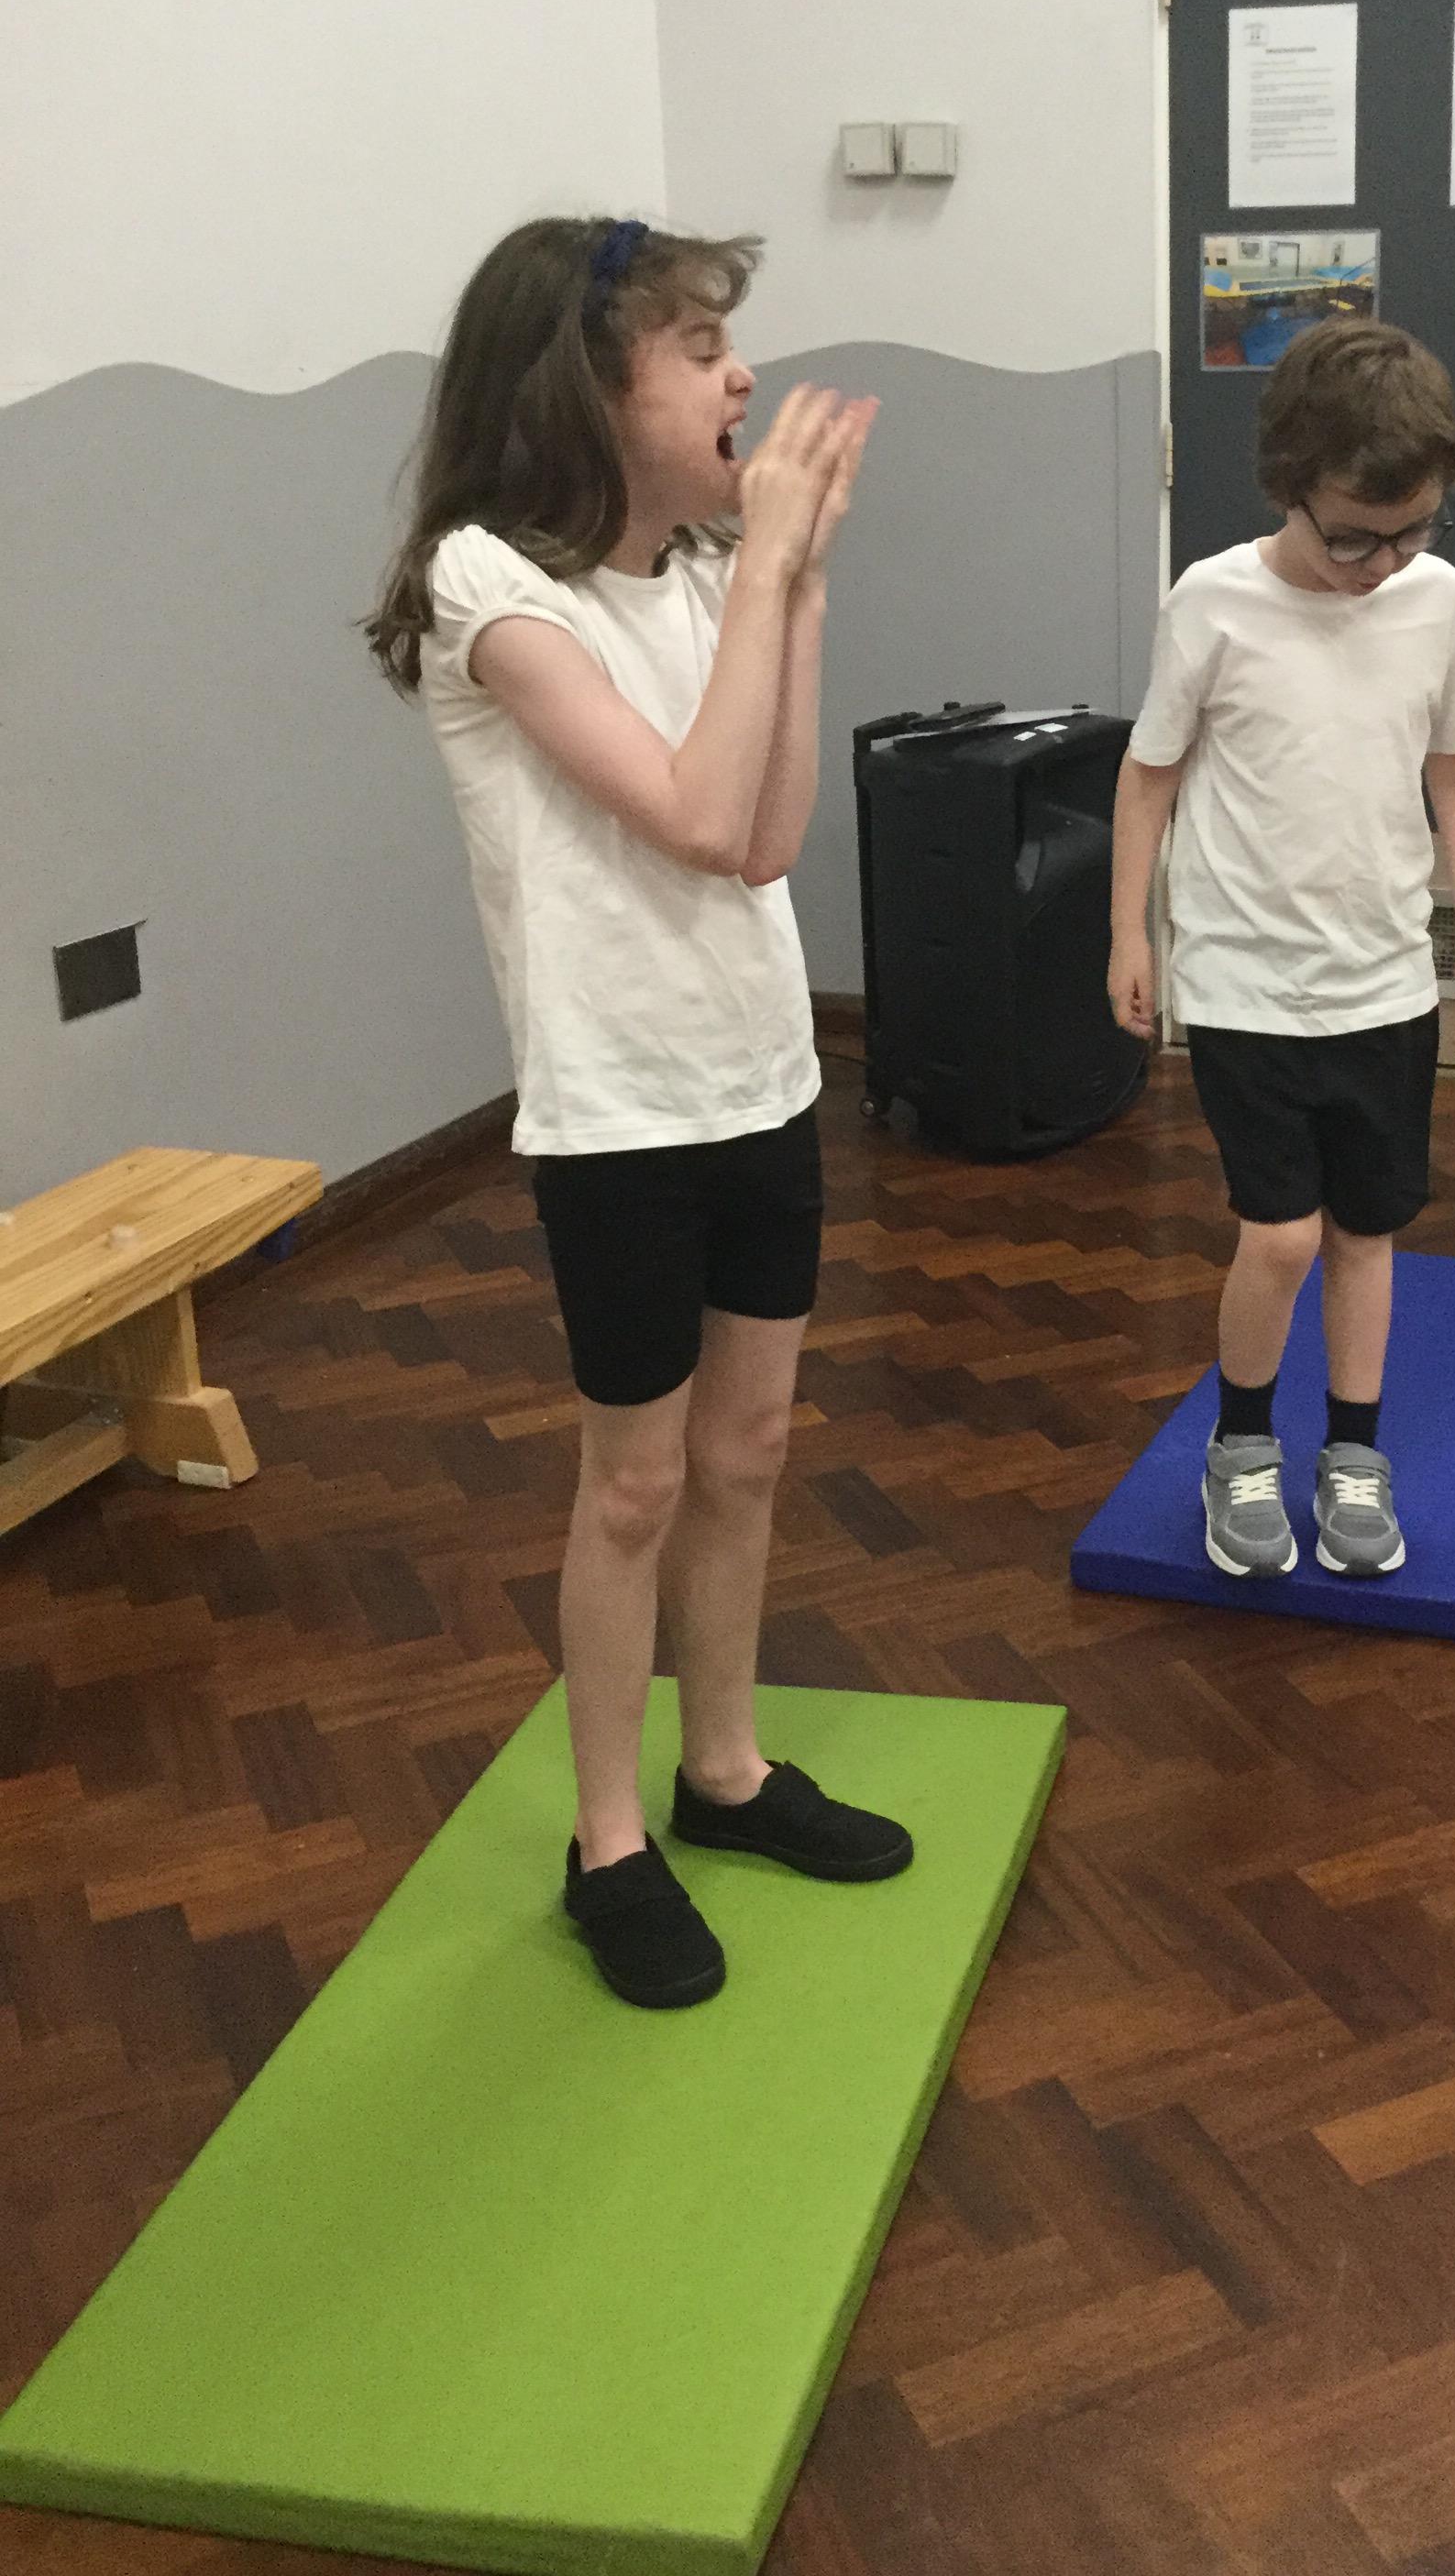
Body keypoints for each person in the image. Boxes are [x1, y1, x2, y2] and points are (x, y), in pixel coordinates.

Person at [366, 215, 909, 2010]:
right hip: (614, 1119)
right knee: (636, 1484)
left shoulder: (700, 576)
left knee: (747, 1454)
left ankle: (723, 1772)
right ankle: (609, 1840)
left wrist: (794, 587)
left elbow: (762, 843)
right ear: (585, 391)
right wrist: (766, 577)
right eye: (697, 349)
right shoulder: (487, 589)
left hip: (761, 1080)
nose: (741, 376)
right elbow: (683, 810)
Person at [1108, 318, 1455, 1583]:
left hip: (1382, 979)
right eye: (1352, 539)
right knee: (1280, 1235)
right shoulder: (1214, 602)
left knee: (1366, 1234)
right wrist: (1130, 931)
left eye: (1412, 532)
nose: (1381, 565)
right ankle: (1239, 1445)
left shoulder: (1438, 602)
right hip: (1244, 982)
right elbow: (1148, 775)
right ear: (1290, 484)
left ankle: (1354, 1454)